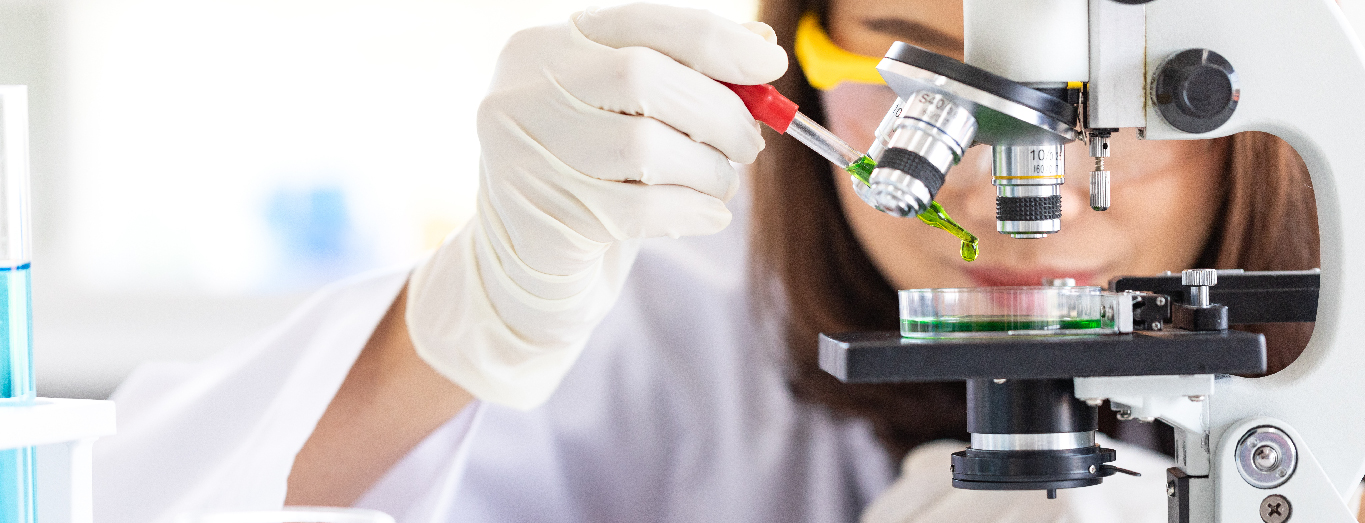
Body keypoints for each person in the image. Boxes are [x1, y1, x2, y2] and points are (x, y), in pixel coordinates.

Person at [92, 0, 1320, 521]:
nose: (1006, 194)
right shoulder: (675, 320)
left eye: (1096, 111)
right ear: (802, 57)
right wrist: (456, 327)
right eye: (914, 74)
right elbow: (141, 502)